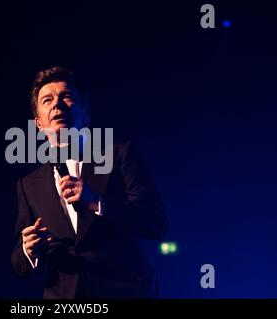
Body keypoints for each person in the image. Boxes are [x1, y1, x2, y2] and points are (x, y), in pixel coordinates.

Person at [10, 66, 168, 298]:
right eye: (47, 99)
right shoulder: (28, 185)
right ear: (39, 124)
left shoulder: (120, 155)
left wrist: (97, 203)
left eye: (67, 96)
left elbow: (155, 223)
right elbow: (18, 263)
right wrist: (29, 249)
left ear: (85, 112)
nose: (57, 104)